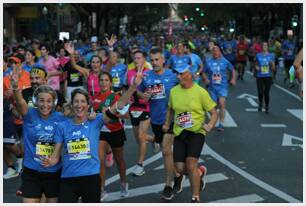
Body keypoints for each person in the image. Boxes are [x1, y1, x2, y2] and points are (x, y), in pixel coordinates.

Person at [41, 67, 144, 203]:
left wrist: (133, 87)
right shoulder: (63, 126)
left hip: (91, 179)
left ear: (88, 105)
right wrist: (49, 161)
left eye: (82, 101)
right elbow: (55, 156)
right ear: (72, 104)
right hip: (68, 180)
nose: (79, 105)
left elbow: (118, 106)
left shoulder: (96, 121)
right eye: (76, 102)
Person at [164, 64, 218, 203]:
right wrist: (167, 123)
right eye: (177, 74)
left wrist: (210, 125)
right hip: (180, 132)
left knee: (191, 164)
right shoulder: (174, 91)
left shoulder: (200, 92)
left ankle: (195, 197)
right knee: (180, 168)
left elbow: (213, 112)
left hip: (196, 132)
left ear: (190, 75)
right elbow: (170, 109)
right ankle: (199, 174)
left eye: (181, 74)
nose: (178, 76)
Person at [11, 68, 66, 203]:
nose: (45, 105)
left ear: (54, 102)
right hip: (32, 173)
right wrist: (15, 87)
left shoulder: (61, 118)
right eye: (41, 101)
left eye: (48, 101)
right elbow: (20, 103)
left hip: (53, 173)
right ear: (36, 101)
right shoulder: (30, 115)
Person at [138, 48, 183, 200]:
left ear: (163, 60)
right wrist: (143, 95)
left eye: (157, 59)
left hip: (172, 119)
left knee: (165, 150)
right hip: (156, 120)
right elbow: (139, 92)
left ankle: (168, 186)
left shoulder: (172, 75)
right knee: (168, 153)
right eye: (152, 60)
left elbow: (187, 86)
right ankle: (178, 176)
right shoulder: (146, 76)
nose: (155, 62)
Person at [92, 72, 129, 201]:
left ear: (110, 82)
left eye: (106, 80)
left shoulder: (115, 96)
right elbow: (93, 114)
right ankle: (101, 189)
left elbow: (126, 115)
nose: (103, 82)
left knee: (119, 160)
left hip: (115, 131)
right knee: (100, 161)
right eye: (101, 80)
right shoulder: (95, 97)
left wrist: (110, 115)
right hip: (101, 133)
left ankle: (124, 183)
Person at [127, 50, 155, 176]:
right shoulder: (129, 73)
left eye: (139, 58)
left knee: (141, 135)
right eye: (135, 58)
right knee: (138, 138)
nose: (136, 60)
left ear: (144, 59)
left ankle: (140, 165)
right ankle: (155, 140)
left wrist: (146, 94)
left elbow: (152, 89)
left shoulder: (149, 73)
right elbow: (127, 88)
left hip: (145, 107)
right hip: (133, 108)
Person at [203, 46, 236, 131]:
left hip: (222, 86)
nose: (215, 52)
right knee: (213, 106)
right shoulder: (208, 62)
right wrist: (206, 79)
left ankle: (221, 124)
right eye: (213, 51)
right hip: (212, 87)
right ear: (212, 53)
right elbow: (203, 71)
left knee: (222, 103)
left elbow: (232, 70)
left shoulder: (225, 61)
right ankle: (214, 119)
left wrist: (233, 79)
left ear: (220, 52)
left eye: (217, 51)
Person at [254, 42, 276, 113]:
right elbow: (256, 64)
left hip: (268, 76)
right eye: (263, 45)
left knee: (266, 92)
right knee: (260, 92)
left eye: (266, 45)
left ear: (268, 47)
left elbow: (273, 68)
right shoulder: (258, 55)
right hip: (260, 76)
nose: (264, 46)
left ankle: (266, 106)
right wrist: (257, 68)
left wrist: (272, 65)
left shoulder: (271, 55)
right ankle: (260, 103)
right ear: (261, 47)